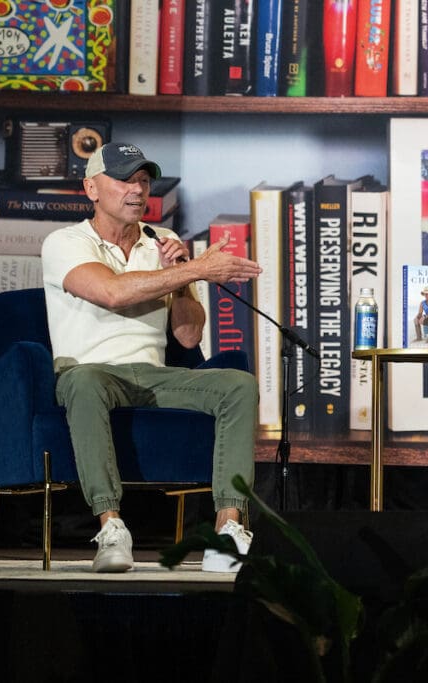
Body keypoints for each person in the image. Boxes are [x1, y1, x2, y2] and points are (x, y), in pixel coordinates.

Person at [40, 142, 264, 573]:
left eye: (143, 180)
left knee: (238, 385)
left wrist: (181, 280)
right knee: (85, 382)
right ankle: (111, 525)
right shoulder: (64, 242)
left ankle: (226, 530)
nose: (137, 189)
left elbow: (188, 333)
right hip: (88, 372)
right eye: (124, 179)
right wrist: (194, 270)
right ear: (91, 188)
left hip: (151, 376)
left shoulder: (164, 243)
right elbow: (111, 292)